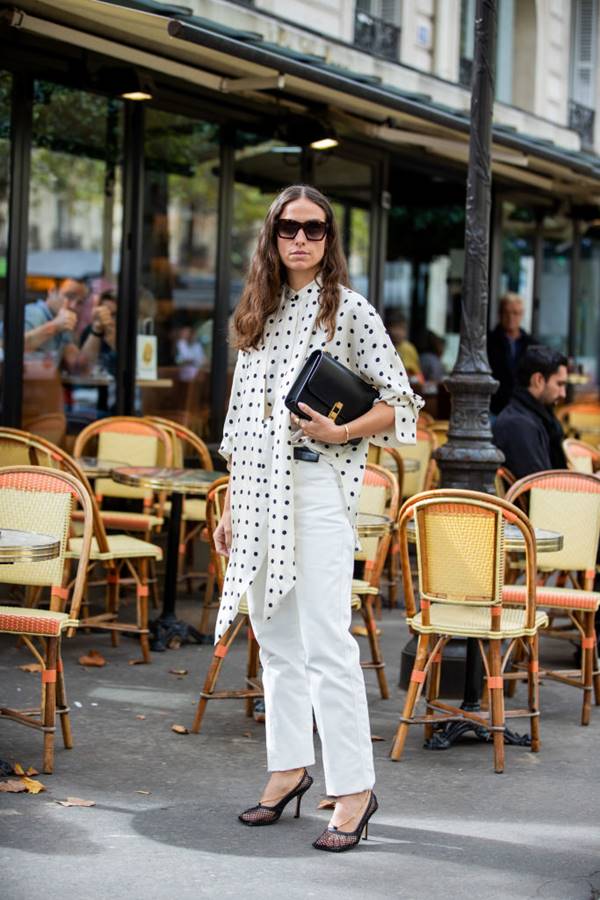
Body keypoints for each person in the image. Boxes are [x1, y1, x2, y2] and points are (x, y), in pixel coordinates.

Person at [213, 184, 423, 853]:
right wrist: (230, 500)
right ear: (271, 238)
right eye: (288, 228)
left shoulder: (350, 313)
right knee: (274, 640)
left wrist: (341, 434)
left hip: (317, 488)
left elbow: (401, 402)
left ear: (329, 239)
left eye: (315, 228)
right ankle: (288, 769)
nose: (301, 239)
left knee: (328, 642)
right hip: (257, 492)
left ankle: (355, 789)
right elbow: (242, 422)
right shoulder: (258, 313)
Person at [492, 345, 567, 479]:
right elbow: (539, 487)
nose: (563, 393)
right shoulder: (519, 425)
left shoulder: (533, 418)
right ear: (538, 380)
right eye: (559, 384)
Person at [24, 277, 109, 373]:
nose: (73, 306)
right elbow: (10, 349)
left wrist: (96, 331)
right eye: (69, 296)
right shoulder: (33, 313)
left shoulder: (62, 324)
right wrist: (54, 326)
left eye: (80, 302)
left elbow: (79, 368)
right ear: (52, 291)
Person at [487, 293, 534, 415]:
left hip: (524, 409)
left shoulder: (532, 345)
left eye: (515, 313)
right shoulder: (488, 342)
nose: (510, 317)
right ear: (500, 314)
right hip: (494, 408)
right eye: (506, 312)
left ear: (521, 315)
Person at [79, 290, 117, 376]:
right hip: (93, 387)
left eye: (114, 315)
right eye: (105, 313)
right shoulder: (90, 330)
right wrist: (96, 331)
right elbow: (83, 368)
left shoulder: (128, 334)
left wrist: (114, 344)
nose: (109, 320)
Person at [384, 309, 422, 380]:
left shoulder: (408, 349)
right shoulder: (382, 346)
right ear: (387, 328)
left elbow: (416, 375)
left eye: (401, 328)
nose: (397, 332)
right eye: (394, 327)